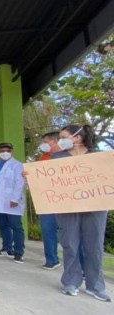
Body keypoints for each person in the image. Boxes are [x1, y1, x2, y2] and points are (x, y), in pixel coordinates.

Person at [52, 125, 110, 302]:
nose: (60, 140)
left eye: (63, 137)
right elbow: (48, 181)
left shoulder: (100, 157)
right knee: (70, 243)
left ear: (77, 138)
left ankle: (95, 286)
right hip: (67, 206)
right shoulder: (57, 158)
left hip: (95, 206)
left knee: (95, 246)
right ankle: (71, 281)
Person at [37, 131, 62, 270]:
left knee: (72, 235)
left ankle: (81, 266)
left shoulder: (69, 156)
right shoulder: (44, 158)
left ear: (55, 141)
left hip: (66, 201)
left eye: (45, 142)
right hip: (47, 200)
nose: (44, 145)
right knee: (48, 230)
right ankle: (52, 259)